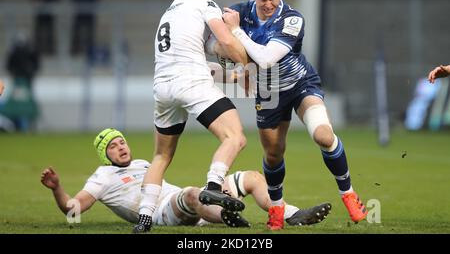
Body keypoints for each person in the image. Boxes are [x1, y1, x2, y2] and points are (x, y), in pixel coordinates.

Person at [215, 0, 367, 230]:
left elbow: (265, 58)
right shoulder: (238, 11)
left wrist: (237, 33)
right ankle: (276, 208)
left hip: (300, 85)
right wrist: (237, 64)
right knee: (273, 154)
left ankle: (349, 194)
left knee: (323, 136)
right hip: (269, 93)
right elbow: (215, 39)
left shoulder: (292, 19)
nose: (269, 5)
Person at [134, 0, 252, 233]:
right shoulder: (204, 4)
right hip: (192, 83)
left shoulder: (169, 14)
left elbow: (204, 55)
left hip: (163, 88)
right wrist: (248, 65)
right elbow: (225, 40)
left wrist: (233, 76)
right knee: (235, 137)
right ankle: (212, 186)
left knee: (161, 155)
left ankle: (144, 217)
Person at [41, 128, 331, 228]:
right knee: (193, 193)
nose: (121, 147)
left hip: (190, 206)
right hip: (162, 214)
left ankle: (290, 214)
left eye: (122, 142)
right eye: (113, 146)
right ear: (104, 154)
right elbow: (72, 209)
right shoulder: (102, 177)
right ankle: (226, 217)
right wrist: (57, 189)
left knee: (252, 177)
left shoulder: (143, 162)